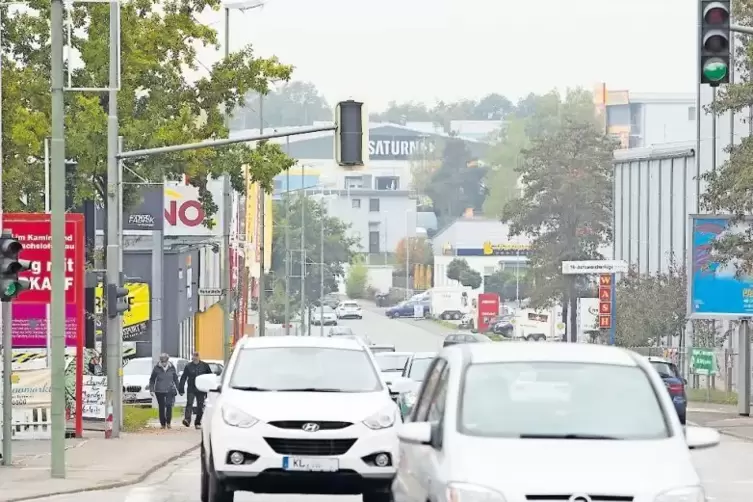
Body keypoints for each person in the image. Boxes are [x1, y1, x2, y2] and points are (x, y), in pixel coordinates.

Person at [179, 351, 212, 429]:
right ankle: (187, 420)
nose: (195, 357)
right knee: (189, 404)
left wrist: (209, 388)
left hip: (201, 389)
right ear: (192, 357)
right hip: (191, 388)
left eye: (197, 356)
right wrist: (181, 388)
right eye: (194, 356)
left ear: (199, 357)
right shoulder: (188, 366)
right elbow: (183, 377)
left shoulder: (205, 366)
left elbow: (210, 376)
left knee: (200, 406)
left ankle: (197, 422)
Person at [149, 353, 180, 429]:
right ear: (160, 361)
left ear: (167, 360)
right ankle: (163, 424)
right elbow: (152, 380)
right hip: (159, 390)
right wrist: (152, 390)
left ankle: (168, 422)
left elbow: (175, 378)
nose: (164, 363)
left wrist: (179, 388)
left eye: (165, 361)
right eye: (162, 361)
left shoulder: (172, 367)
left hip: (169, 389)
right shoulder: (156, 368)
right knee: (161, 407)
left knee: (169, 405)